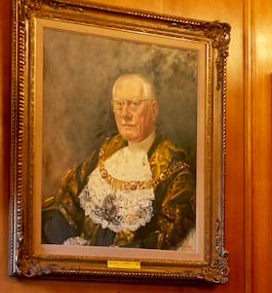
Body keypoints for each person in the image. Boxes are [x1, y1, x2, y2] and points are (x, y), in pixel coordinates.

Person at [41, 73, 195, 250]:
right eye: (118, 104)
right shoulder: (103, 155)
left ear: (153, 110)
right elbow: (63, 210)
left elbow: (166, 244)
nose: (125, 114)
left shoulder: (175, 175)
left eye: (134, 104)